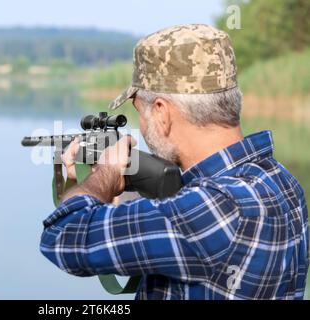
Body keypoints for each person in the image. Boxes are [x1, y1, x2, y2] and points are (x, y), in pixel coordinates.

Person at [39, 24, 309, 299]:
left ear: (161, 112)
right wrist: (114, 191)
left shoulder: (211, 209)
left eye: (139, 113)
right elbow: (185, 238)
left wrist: (105, 173)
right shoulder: (282, 181)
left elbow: (62, 238)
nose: (142, 127)